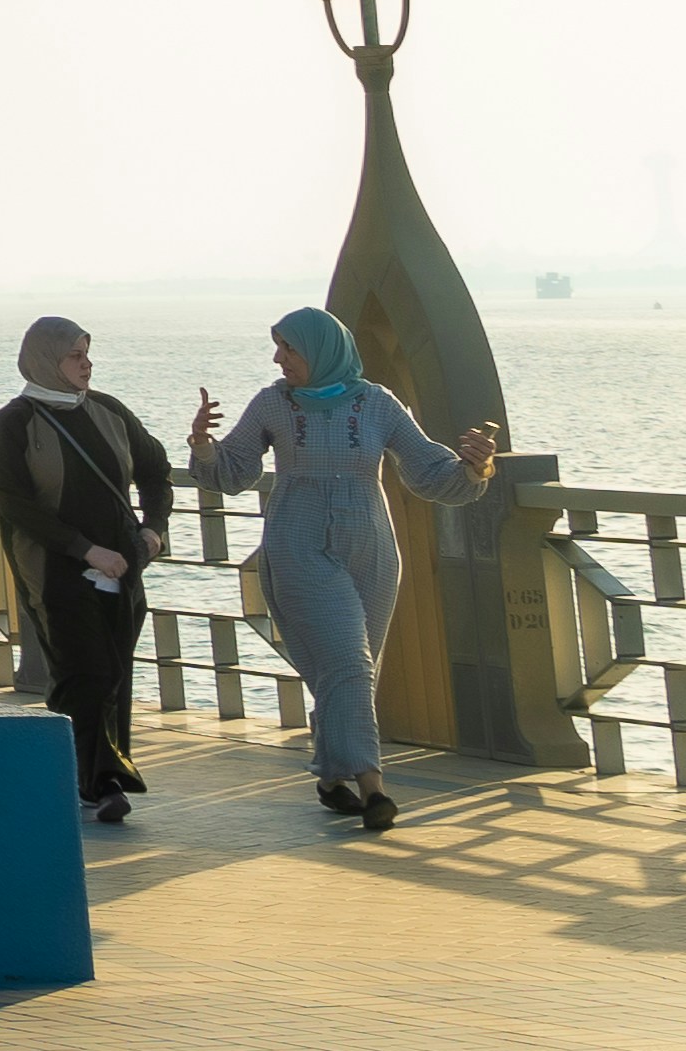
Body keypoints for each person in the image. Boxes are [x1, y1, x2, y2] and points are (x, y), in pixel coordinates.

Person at [189, 304, 499, 837]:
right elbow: (234, 472)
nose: (278, 357)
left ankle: (332, 779)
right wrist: (202, 445)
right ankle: (373, 789)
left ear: (321, 350)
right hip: (298, 542)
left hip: (371, 547)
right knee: (350, 664)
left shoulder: (377, 403)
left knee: (351, 669)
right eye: (278, 346)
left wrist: (477, 467)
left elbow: (428, 471)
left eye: (288, 347)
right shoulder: (271, 404)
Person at [0, 316, 168, 823]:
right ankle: (101, 781)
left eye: (88, 353)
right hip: (54, 567)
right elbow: (16, 503)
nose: (86, 364)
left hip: (123, 565)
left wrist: (153, 528)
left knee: (114, 668)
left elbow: (156, 470)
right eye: (73, 355)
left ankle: (91, 770)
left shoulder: (110, 411)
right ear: (45, 359)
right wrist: (85, 550)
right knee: (84, 667)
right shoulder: (13, 422)